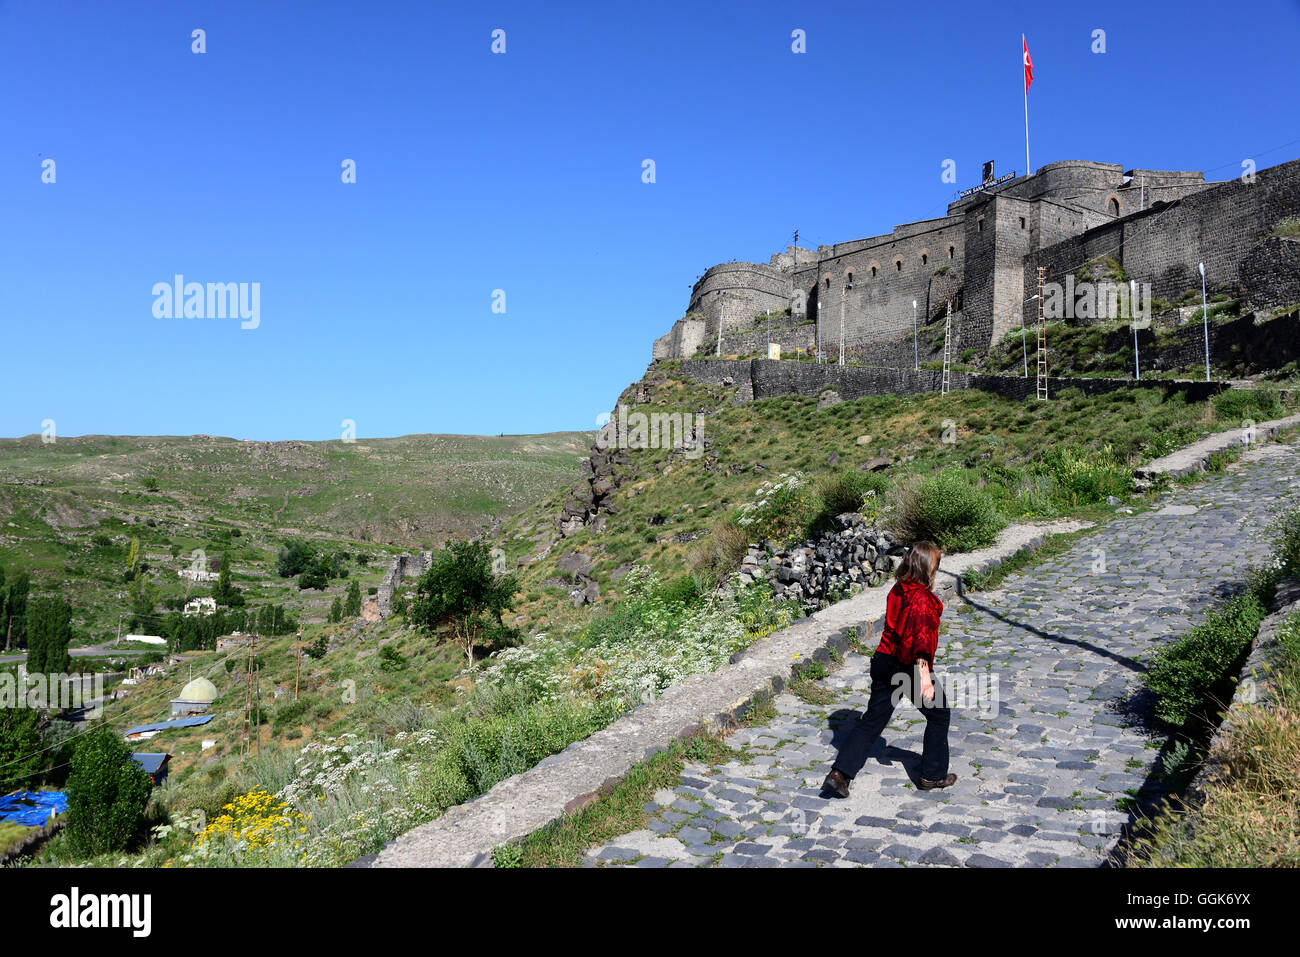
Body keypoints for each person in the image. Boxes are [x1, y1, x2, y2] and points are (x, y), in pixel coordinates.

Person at [822, 540, 957, 797]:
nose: (936, 572)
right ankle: (933, 775)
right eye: (936, 567)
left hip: (883, 660)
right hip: (908, 666)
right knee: (939, 715)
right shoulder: (921, 599)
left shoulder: (898, 589)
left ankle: (839, 774)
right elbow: (920, 640)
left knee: (872, 721)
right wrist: (925, 678)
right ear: (927, 568)